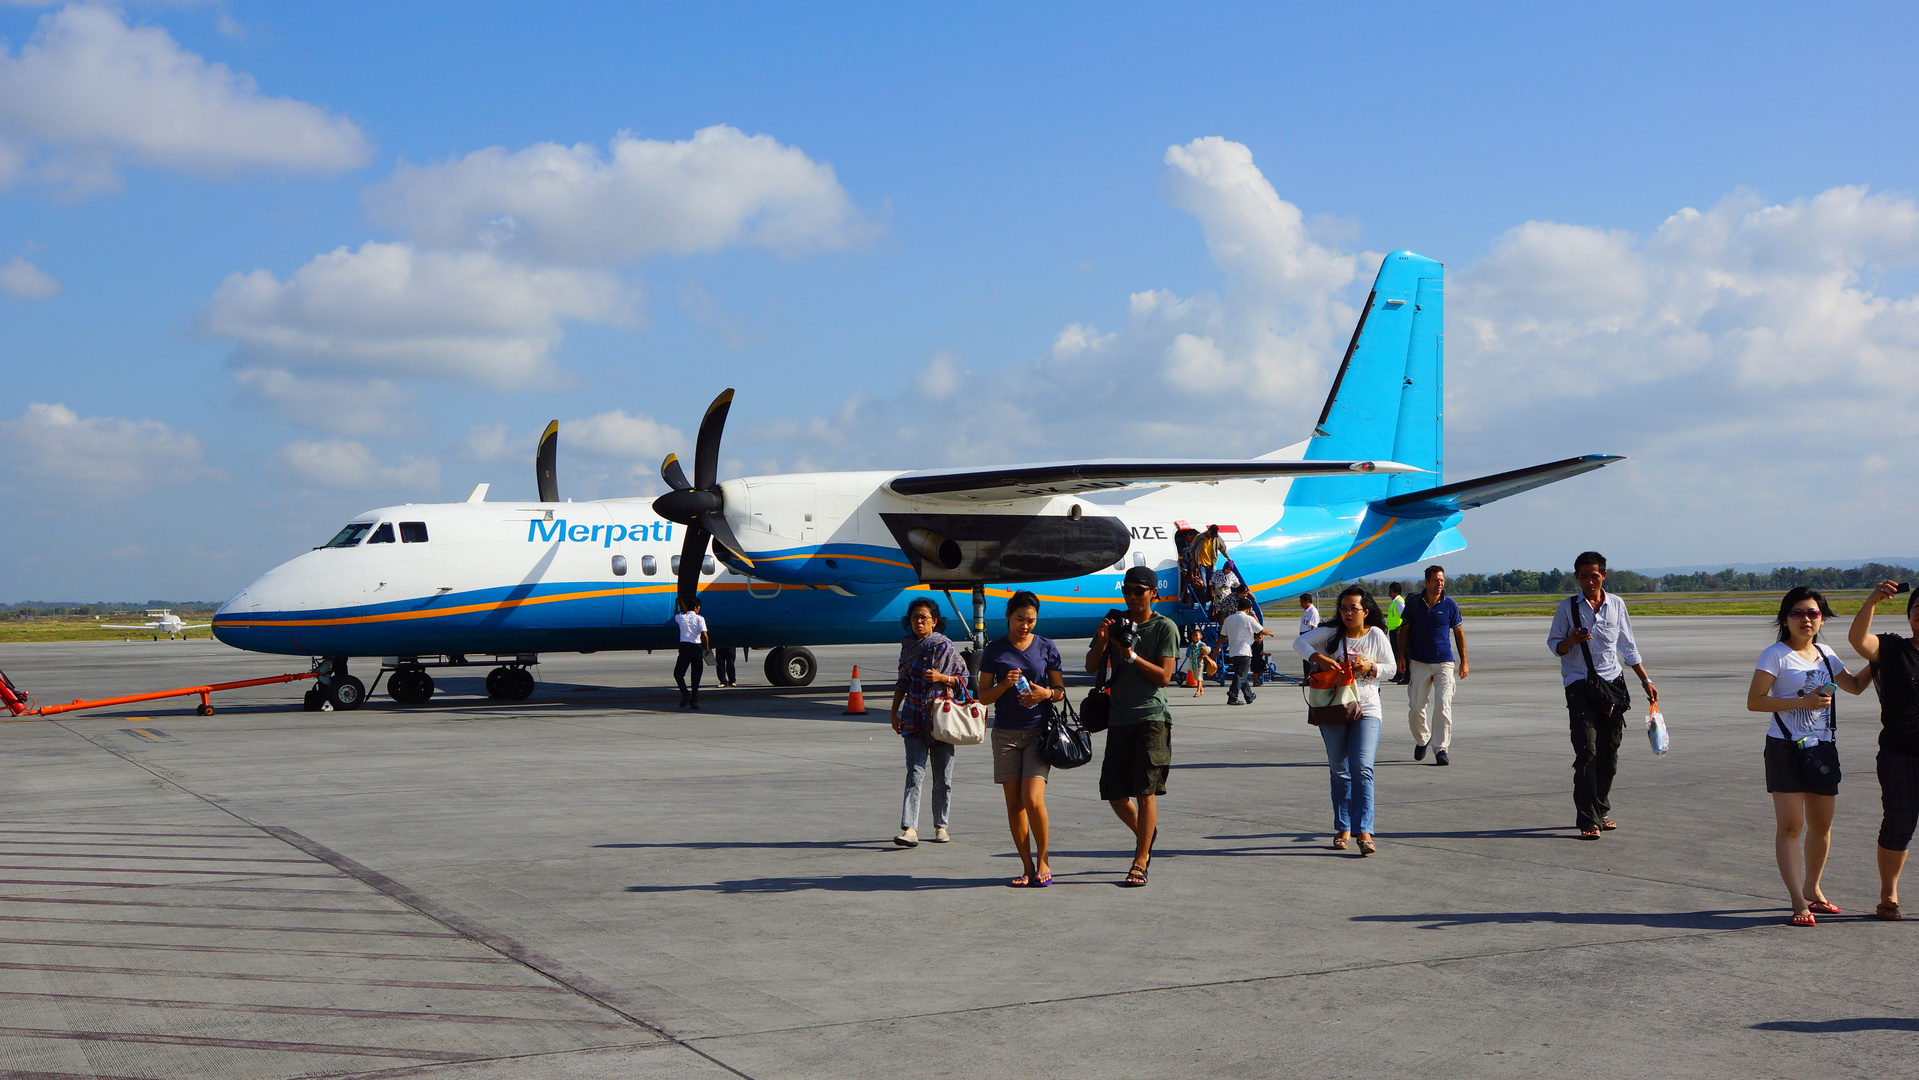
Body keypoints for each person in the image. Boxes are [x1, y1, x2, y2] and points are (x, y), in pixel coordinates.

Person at [1749, 587, 1870, 925]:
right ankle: (1796, 900)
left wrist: (1880, 658)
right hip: (1785, 747)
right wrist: (1801, 702)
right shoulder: (1775, 655)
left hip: (1821, 747)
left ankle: (1813, 889)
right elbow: (1755, 700)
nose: (1806, 619)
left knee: (1821, 825)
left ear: (1821, 619)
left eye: (1813, 613)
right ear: (1785, 618)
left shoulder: (1826, 654)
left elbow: (1856, 686)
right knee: (1791, 826)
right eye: (1798, 613)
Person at [1547, 552, 1659, 840]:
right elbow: (1555, 646)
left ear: (1604, 575)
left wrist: (1645, 679)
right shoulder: (1568, 608)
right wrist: (1571, 640)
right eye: (1583, 577)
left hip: (1611, 684)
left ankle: (1601, 807)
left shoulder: (1616, 605)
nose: (1588, 581)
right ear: (1577, 578)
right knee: (1586, 752)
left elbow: (1628, 646)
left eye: (1593, 576)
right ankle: (1587, 818)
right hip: (1579, 686)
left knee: (1609, 753)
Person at [1085, 565, 1179, 887]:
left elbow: (1165, 677)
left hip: (1151, 717)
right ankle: (1146, 831)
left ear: (1154, 593)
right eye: (1128, 590)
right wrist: (1102, 640)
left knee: (1145, 791)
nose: (1133, 596)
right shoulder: (1117, 623)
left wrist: (1131, 654)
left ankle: (1141, 859)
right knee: (1113, 792)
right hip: (1119, 717)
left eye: (1140, 590)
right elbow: (1089, 666)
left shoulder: (1164, 627)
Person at [1294, 586, 1396, 855]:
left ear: (1365, 611)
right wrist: (1320, 659)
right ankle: (1343, 828)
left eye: (1353, 608)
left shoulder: (1375, 635)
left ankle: (1365, 832)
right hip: (1334, 707)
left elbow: (1393, 667)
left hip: (1367, 708)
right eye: (1343, 608)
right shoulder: (1331, 634)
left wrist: (1371, 667)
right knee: (1339, 770)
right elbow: (1299, 642)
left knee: (1362, 768)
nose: (1348, 613)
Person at [977, 591, 1067, 887]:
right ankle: (1027, 866)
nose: (1025, 626)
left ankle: (1043, 859)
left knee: (1032, 798)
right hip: (1005, 734)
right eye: (1019, 620)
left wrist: (1046, 694)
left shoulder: (1046, 647)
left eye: (1030, 620)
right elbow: (983, 696)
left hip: (1039, 732)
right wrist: (1005, 684)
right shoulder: (995, 650)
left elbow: (1059, 690)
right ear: (1008, 616)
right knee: (1014, 804)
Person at [1848, 579, 1919, 921]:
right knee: (1898, 824)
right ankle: (1888, 894)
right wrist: (1873, 600)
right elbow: (1858, 640)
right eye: (1917, 608)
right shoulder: (1894, 650)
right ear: (1909, 617)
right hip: (1899, 754)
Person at [889, 596, 970, 847]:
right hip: (913, 717)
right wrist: (894, 713)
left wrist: (942, 677)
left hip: (941, 719)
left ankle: (940, 825)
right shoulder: (908, 648)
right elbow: (902, 682)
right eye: (915, 617)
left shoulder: (945, 647)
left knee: (943, 777)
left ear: (934, 622)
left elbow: (964, 680)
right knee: (914, 773)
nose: (919, 621)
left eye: (924, 617)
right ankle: (910, 828)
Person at [1400, 565, 1469, 764]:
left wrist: (1464, 661)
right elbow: (1404, 630)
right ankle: (1423, 739)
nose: (1440, 584)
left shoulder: (1450, 605)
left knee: (1443, 704)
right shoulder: (1414, 603)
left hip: (1444, 662)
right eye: (1436, 580)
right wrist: (1401, 656)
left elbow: (1458, 633)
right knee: (1416, 706)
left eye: (1442, 580)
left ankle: (1441, 749)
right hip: (1419, 661)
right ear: (1427, 582)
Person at [1221, 595, 1271, 706]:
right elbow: (1261, 630)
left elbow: (1222, 636)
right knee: (1241, 675)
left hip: (1233, 652)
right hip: (1244, 652)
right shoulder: (1249, 619)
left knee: (1240, 674)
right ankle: (1232, 695)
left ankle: (1249, 696)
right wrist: (1270, 633)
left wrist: (1216, 650)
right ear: (1248, 610)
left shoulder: (1228, 619)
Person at [672, 599, 710, 708]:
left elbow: (675, 615)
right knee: (696, 675)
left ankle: (685, 694)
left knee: (678, 673)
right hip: (696, 647)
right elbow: (705, 634)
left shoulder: (681, 618)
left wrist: (677, 605)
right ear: (696, 607)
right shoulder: (700, 618)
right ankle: (694, 700)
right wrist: (706, 648)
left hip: (684, 647)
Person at [1179, 625, 1215, 697]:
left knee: (1199, 677)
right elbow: (1188, 651)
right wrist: (1188, 655)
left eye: (1196, 635)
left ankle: (1198, 691)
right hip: (1193, 663)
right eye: (1193, 636)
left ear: (1200, 636)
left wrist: (1204, 654)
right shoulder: (1191, 645)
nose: (1195, 637)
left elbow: (1207, 650)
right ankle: (1201, 690)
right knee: (1196, 677)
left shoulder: (1202, 644)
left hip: (1199, 663)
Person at [1385, 582, 1408, 684]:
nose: (1389, 594)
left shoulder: (1399, 602)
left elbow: (1405, 615)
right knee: (1395, 653)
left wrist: (1400, 628)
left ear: (1396, 592)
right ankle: (1398, 673)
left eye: (1391, 592)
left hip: (1397, 631)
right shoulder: (1394, 601)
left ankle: (1401, 673)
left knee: (1399, 653)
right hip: (1393, 630)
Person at [1298, 593, 1320, 679]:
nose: (1301, 605)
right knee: (1305, 658)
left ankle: (1309, 679)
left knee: (1309, 659)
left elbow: (1313, 627)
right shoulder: (1307, 611)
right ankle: (1306, 678)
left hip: (1309, 636)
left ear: (1307, 602)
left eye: (1302, 602)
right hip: (1305, 635)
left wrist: (1311, 640)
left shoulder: (1313, 611)